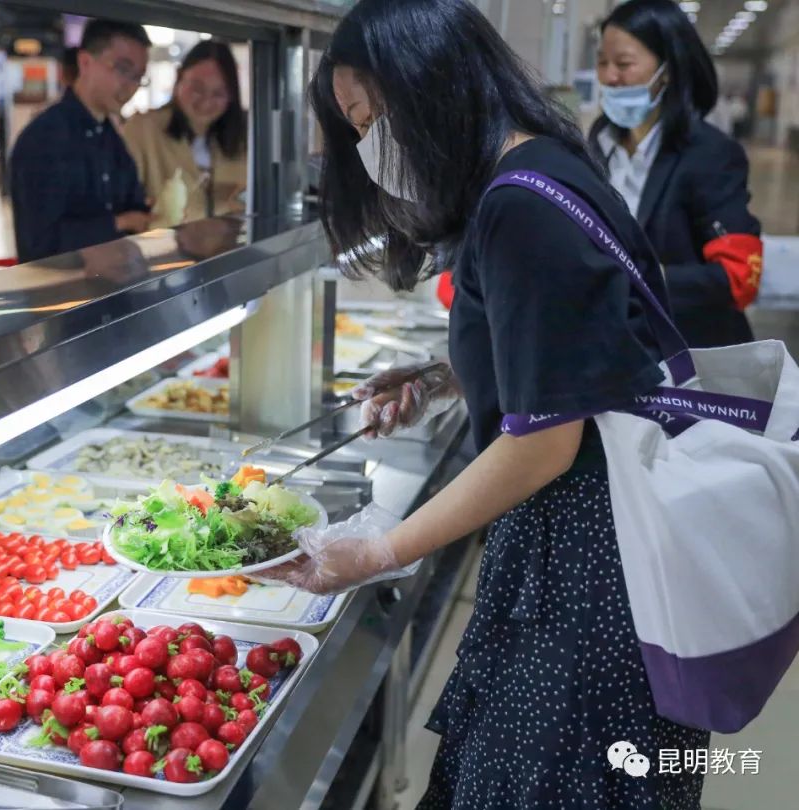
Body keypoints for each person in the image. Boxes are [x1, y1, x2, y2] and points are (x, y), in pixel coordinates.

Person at [262, 1, 707, 808]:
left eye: (368, 120)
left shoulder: (517, 206)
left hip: (583, 578)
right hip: (596, 556)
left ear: (424, 88)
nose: (369, 150)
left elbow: (543, 445)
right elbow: (575, 345)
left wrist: (380, 552)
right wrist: (445, 374)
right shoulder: (542, 164)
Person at [591, 0, 762, 349]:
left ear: (666, 70)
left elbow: (738, 277)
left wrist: (635, 277)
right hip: (616, 344)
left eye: (624, 63)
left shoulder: (708, 154)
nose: (609, 76)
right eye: (602, 62)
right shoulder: (599, 140)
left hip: (687, 352)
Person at [10, 20, 152, 263]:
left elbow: (134, 206)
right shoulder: (45, 137)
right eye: (122, 69)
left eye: (138, 76)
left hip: (113, 290)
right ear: (85, 62)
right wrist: (120, 222)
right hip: (62, 295)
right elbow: (40, 242)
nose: (131, 87)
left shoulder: (111, 136)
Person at [122, 41, 247, 228]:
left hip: (228, 252)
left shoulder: (244, 140)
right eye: (197, 88)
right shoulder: (143, 130)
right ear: (178, 78)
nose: (206, 102)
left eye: (218, 93)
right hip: (161, 251)